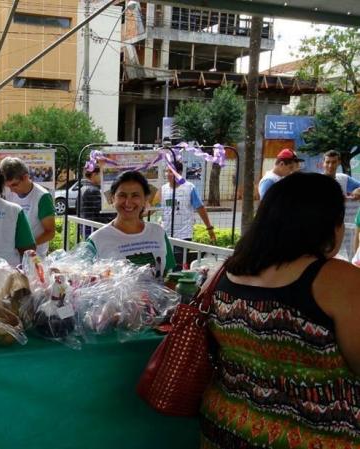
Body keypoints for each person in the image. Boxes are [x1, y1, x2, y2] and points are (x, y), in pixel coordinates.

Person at [201, 172, 360, 448]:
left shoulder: (226, 272)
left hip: (225, 426)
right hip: (315, 436)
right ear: (328, 225)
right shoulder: (339, 280)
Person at [87, 171, 175, 278]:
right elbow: (83, 279)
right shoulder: (97, 240)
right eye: (122, 195)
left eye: (135, 195)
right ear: (113, 199)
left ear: (145, 200)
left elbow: (168, 277)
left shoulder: (158, 233)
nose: (128, 202)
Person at [153, 160, 215, 268]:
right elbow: (153, 207)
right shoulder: (163, 189)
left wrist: (209, 228)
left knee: (177, 263)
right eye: (167, 171)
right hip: (165, 233)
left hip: (183, 234)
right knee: (164, 262)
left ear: (179, 173)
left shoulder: (189, 188)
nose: (168, 174)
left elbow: (200, 208)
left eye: (171, 172)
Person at [0, 157, 55, 257]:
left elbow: (50, 232)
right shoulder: (8, 193)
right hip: (12, 255)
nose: (11, 190)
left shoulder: (42, 196)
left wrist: (28, 246)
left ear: (25, 177)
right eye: (8, 186)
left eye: (14, 185)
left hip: (34, 257)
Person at [79, 165, 114, 239]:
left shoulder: (83, 188)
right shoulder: (92, 190)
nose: (102, 177)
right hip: (94, 229)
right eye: (101, 174)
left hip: (86, 228)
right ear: (94, 175)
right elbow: (101, 211)